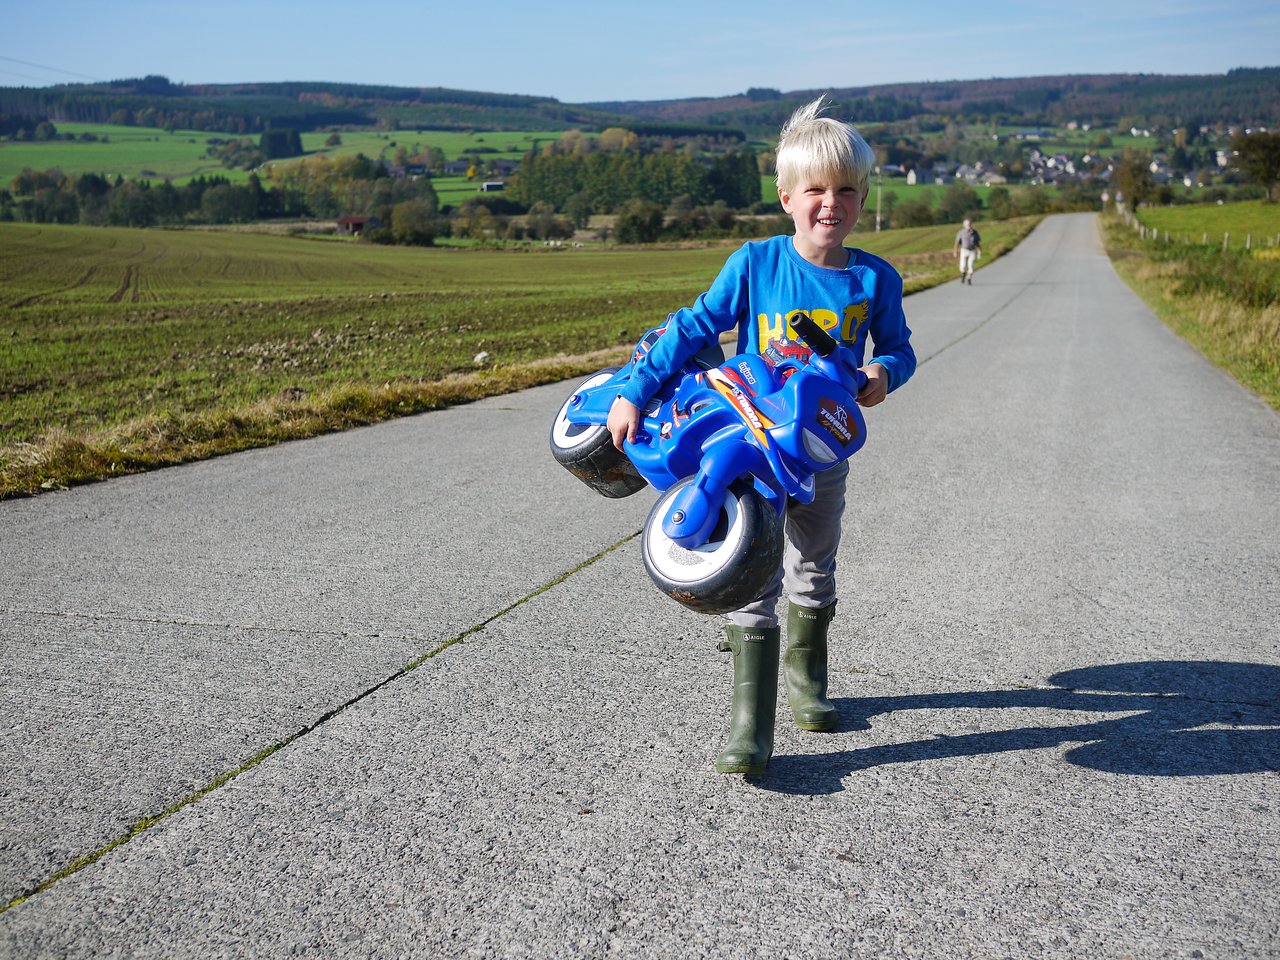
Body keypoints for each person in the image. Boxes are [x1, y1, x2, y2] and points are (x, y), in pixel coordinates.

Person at [606, 97, 916, 775]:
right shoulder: (755, 264)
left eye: (845, 191)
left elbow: (900, 350)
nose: (829, 204)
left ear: (864, 197)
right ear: (786, 197)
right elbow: (693, 327)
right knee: (754, 575)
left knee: (814, 562)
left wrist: (878, 374)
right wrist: (635, 390)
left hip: (822, 450)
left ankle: (808, 678)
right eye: (814, 191)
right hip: (752, 445)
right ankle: (752, 725)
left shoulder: (873, 279)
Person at [953, 218, 981, 284]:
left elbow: (977, 243)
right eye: (968, 224)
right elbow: (957, 243)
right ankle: (963, 274)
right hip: (964, 251)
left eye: (970, 224)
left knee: (971, 267)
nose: (969, 226)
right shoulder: (961, 232)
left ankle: (969, 279)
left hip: (972, 251)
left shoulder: (975, 233)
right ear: (964, 225)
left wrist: (979, 251)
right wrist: (955, 251)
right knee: (962, 266)